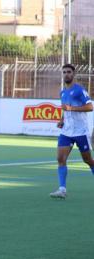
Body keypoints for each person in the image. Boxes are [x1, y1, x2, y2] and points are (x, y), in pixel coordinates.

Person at [50, 63, 94, 199]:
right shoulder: (62, 92)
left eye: (69, 72)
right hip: (67, 132)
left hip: (81, 132)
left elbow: (90, 107)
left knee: (87, 160)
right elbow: (65, 109)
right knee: (60, 158)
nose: (66, 74)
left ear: (73, 74)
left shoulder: (80, 90)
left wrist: (72, 109)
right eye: (64, 72)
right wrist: (62, 120)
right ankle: (62, 189)